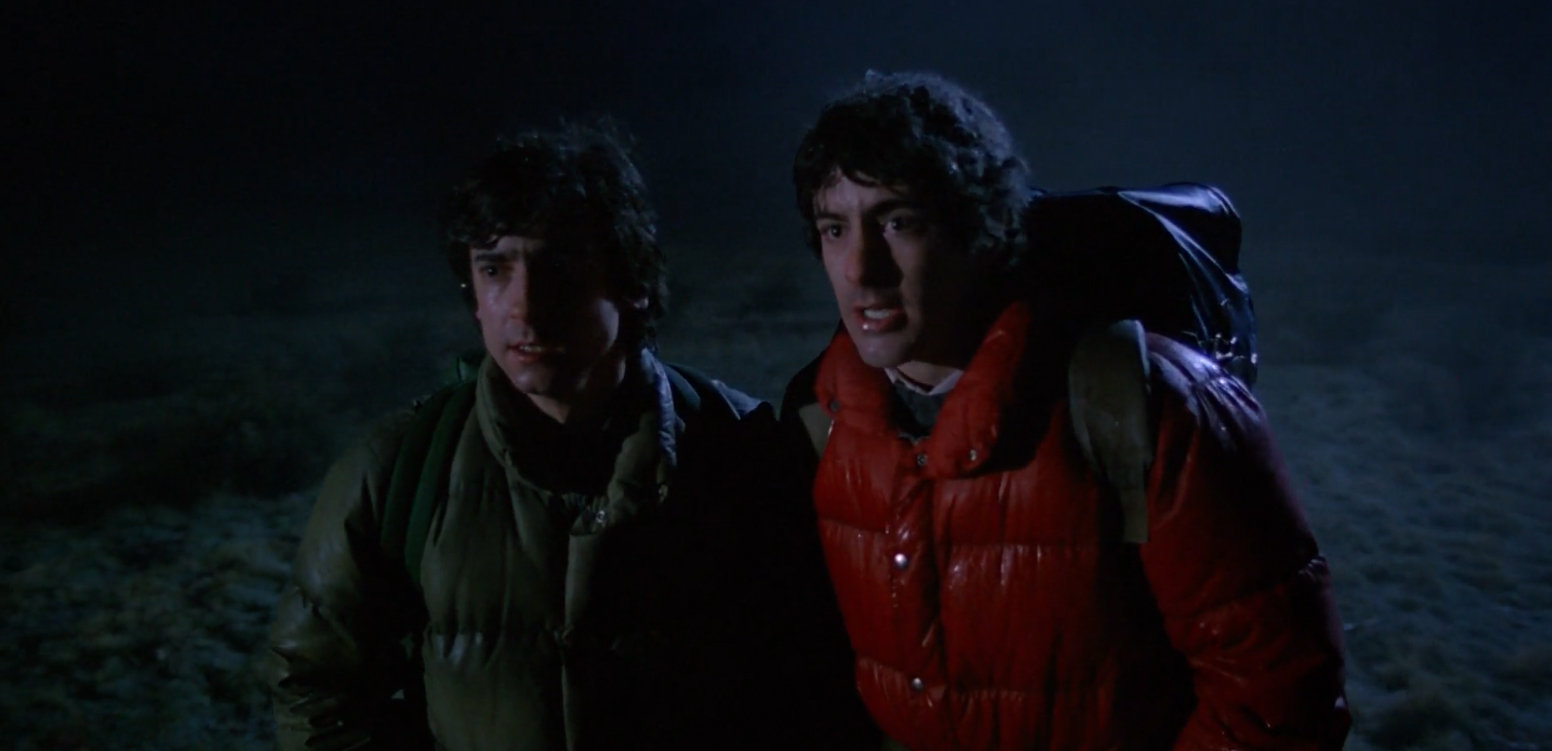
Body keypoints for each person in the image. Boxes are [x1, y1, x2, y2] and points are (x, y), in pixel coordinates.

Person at [781, 71, 1351, 751]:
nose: (860, 268)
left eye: (899, 221)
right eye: (834, 229)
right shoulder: (822, 419)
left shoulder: (1142, 402)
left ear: (981, 231)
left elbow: (1275, 700)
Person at [265, 122, 872, 751]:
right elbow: (316, 688)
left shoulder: (742, 452)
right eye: (495, 269)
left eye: (560, 265)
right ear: (472, 293)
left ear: (631, 283)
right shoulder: (401, 471)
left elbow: (810, 680)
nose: (525, 307)